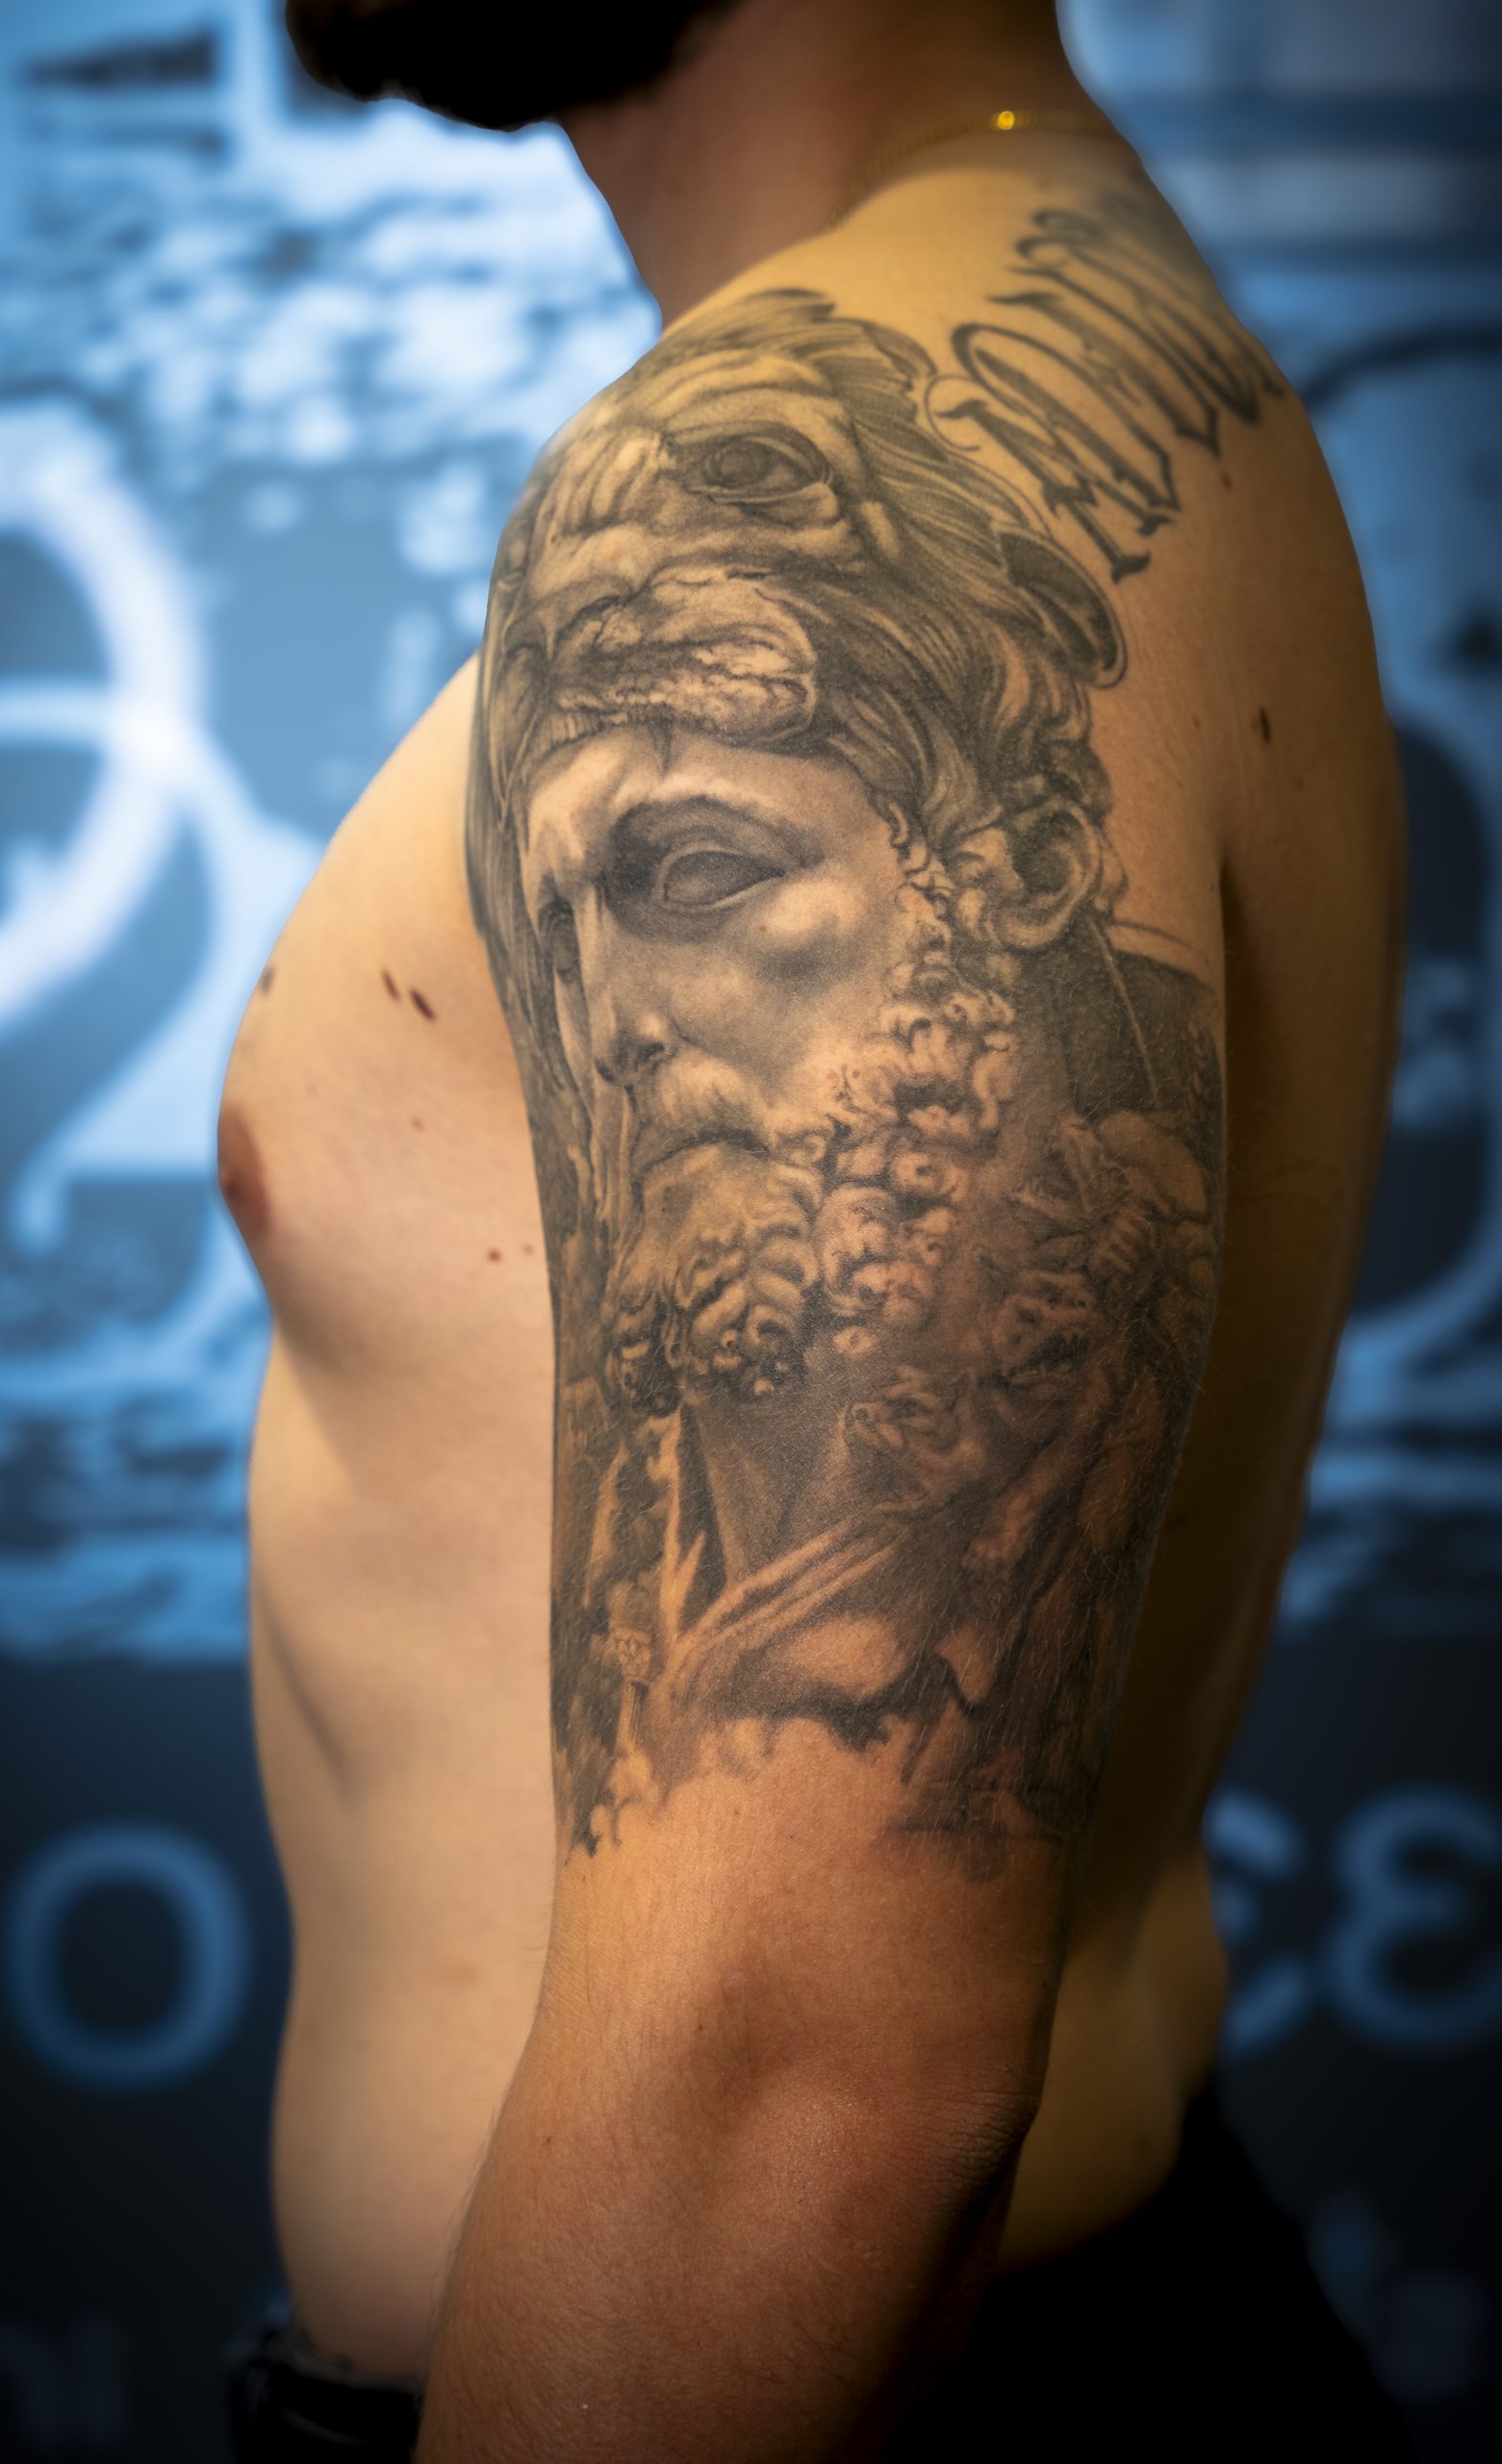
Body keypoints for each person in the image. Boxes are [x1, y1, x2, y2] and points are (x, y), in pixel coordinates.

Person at [217, 1, 1408, 2454]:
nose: (661, 1026)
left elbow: (802, 2088)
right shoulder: (1073, 333)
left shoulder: (790, 505)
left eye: (701, 873)